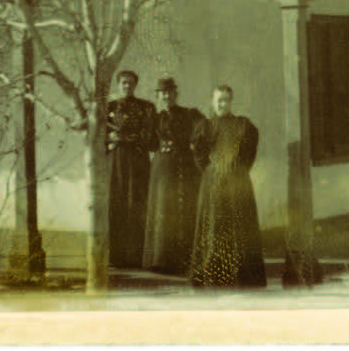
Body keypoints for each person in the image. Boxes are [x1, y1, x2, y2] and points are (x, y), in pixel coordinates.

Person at [188, 84, 266, 288]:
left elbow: (250, 153)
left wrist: (238, 170)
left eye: (226, 100)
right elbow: (199, 154)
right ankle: (214, 275)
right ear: (212, 102)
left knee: (239, 226)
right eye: (219, 100)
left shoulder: (243, 125)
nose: (223, 104)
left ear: (231, 102)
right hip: (213, 182)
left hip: (237, 182)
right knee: (214, 225)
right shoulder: (205, 126)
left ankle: (241, 275)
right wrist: (212, 170)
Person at [142, 76, 201, 274]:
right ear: (158, 96)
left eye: (170, 93)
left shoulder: (189, 114)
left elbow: (202, 130)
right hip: (161, 167)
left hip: (182, 166)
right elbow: (149, 143)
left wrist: (191, 145)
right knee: (161, 209)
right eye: (162, 93)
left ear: (176, 94)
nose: (166, 96)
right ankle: (160, 260)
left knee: (181, 210)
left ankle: (182, 260)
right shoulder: (155, 118)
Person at [106, 69, 156, 268]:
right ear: (118, 85)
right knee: (116, 204)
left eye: (130, 83)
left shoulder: (146, 108)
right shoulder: (109, 107)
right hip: (117, 162)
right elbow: (100, 134)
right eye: (123, 83)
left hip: (137, 161)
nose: (127, 86)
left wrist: (125, 138)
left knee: (137, 204)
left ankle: (136, 257)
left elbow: (149, 135)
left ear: (136, 85)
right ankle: (116, 257)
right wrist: (109, 138)